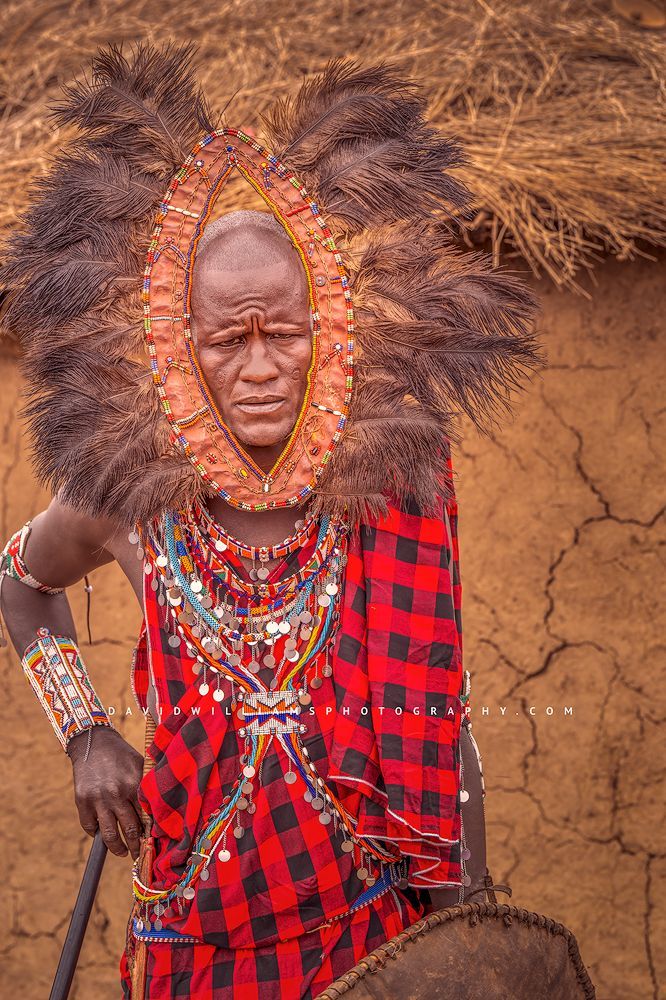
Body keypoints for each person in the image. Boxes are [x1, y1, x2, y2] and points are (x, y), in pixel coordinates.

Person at [0, 45, 540, 999]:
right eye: (229, 339)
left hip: (369, 933)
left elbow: (437, 710)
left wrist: (465, 919)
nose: (258, 368)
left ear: (325, 329)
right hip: (191, 946)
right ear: (180, 341)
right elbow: (20, 581)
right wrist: (83, 732)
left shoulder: (386, 489)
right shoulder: (127, 493)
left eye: (281, 334)